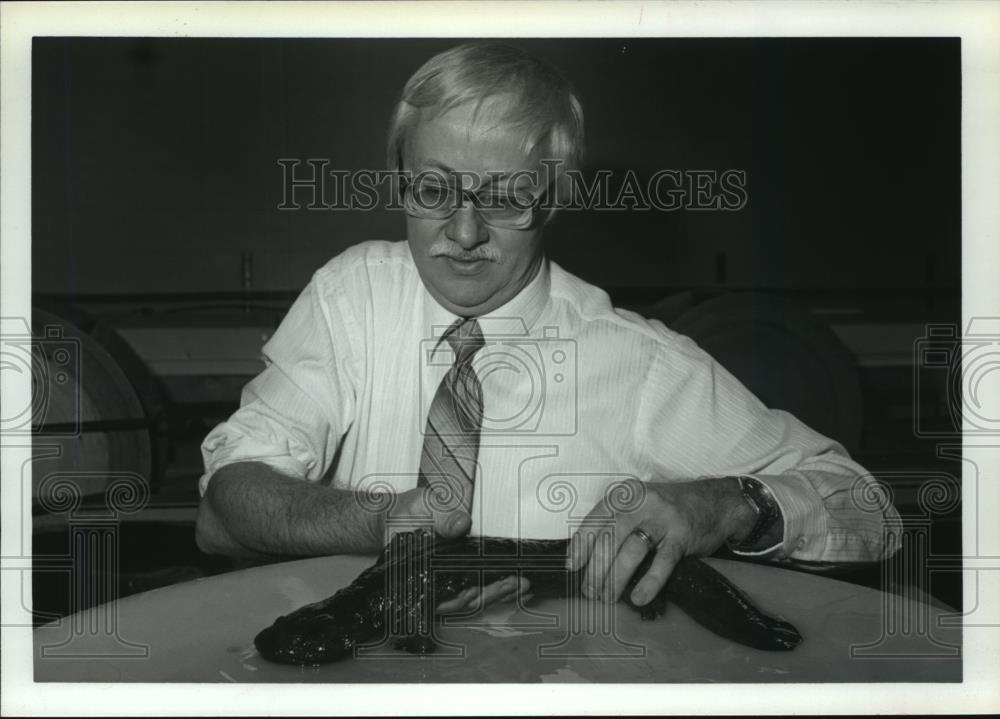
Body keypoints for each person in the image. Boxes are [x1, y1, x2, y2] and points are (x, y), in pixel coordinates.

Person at [195, 42, 899, 612]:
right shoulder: (352, 298)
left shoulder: (640, 363)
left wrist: (727, 502)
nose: (463, 233)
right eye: (435, 190)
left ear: (556, 197)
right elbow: (224, 510)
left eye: (505, 197)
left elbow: (869, 507)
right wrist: (379, 520)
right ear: (399, 177)